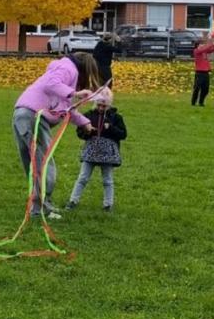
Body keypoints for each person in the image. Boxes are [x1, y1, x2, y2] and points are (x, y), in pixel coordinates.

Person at [12, 53, 98, 217]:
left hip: (23, 115)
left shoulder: (64, 73)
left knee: (35, 163)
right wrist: (75, 93)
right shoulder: (67, 68)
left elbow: (64, 109)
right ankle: (41, 208)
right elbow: (51, 84)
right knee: (43, 163)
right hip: (33, 117)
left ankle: (39, 205)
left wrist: (84, 122)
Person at [66, 86, 127, 213]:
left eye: (104, 106)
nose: (100, 108)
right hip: (91, 151)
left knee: (107, 180)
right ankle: (73, 201)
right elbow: (80, 132)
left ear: (109, 105)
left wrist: (110, 128)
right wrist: (87, 132)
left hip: (108, 153)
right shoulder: (88, 116)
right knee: (83, 177)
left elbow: (123, 134)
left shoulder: (116, 117)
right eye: (98, 105)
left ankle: (108, 204)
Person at [191, 32, 214, 106]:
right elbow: (206, 48)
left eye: (203, 44)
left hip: (206, 73)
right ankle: (193, 102)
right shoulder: (196, 51)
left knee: (205, 89)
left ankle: (201, 102)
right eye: (201, 44)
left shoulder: (204, 51)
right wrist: (211, 43)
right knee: (197, 88)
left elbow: (211, 49)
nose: (202, 46)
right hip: (199, 73)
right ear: (197, 46)